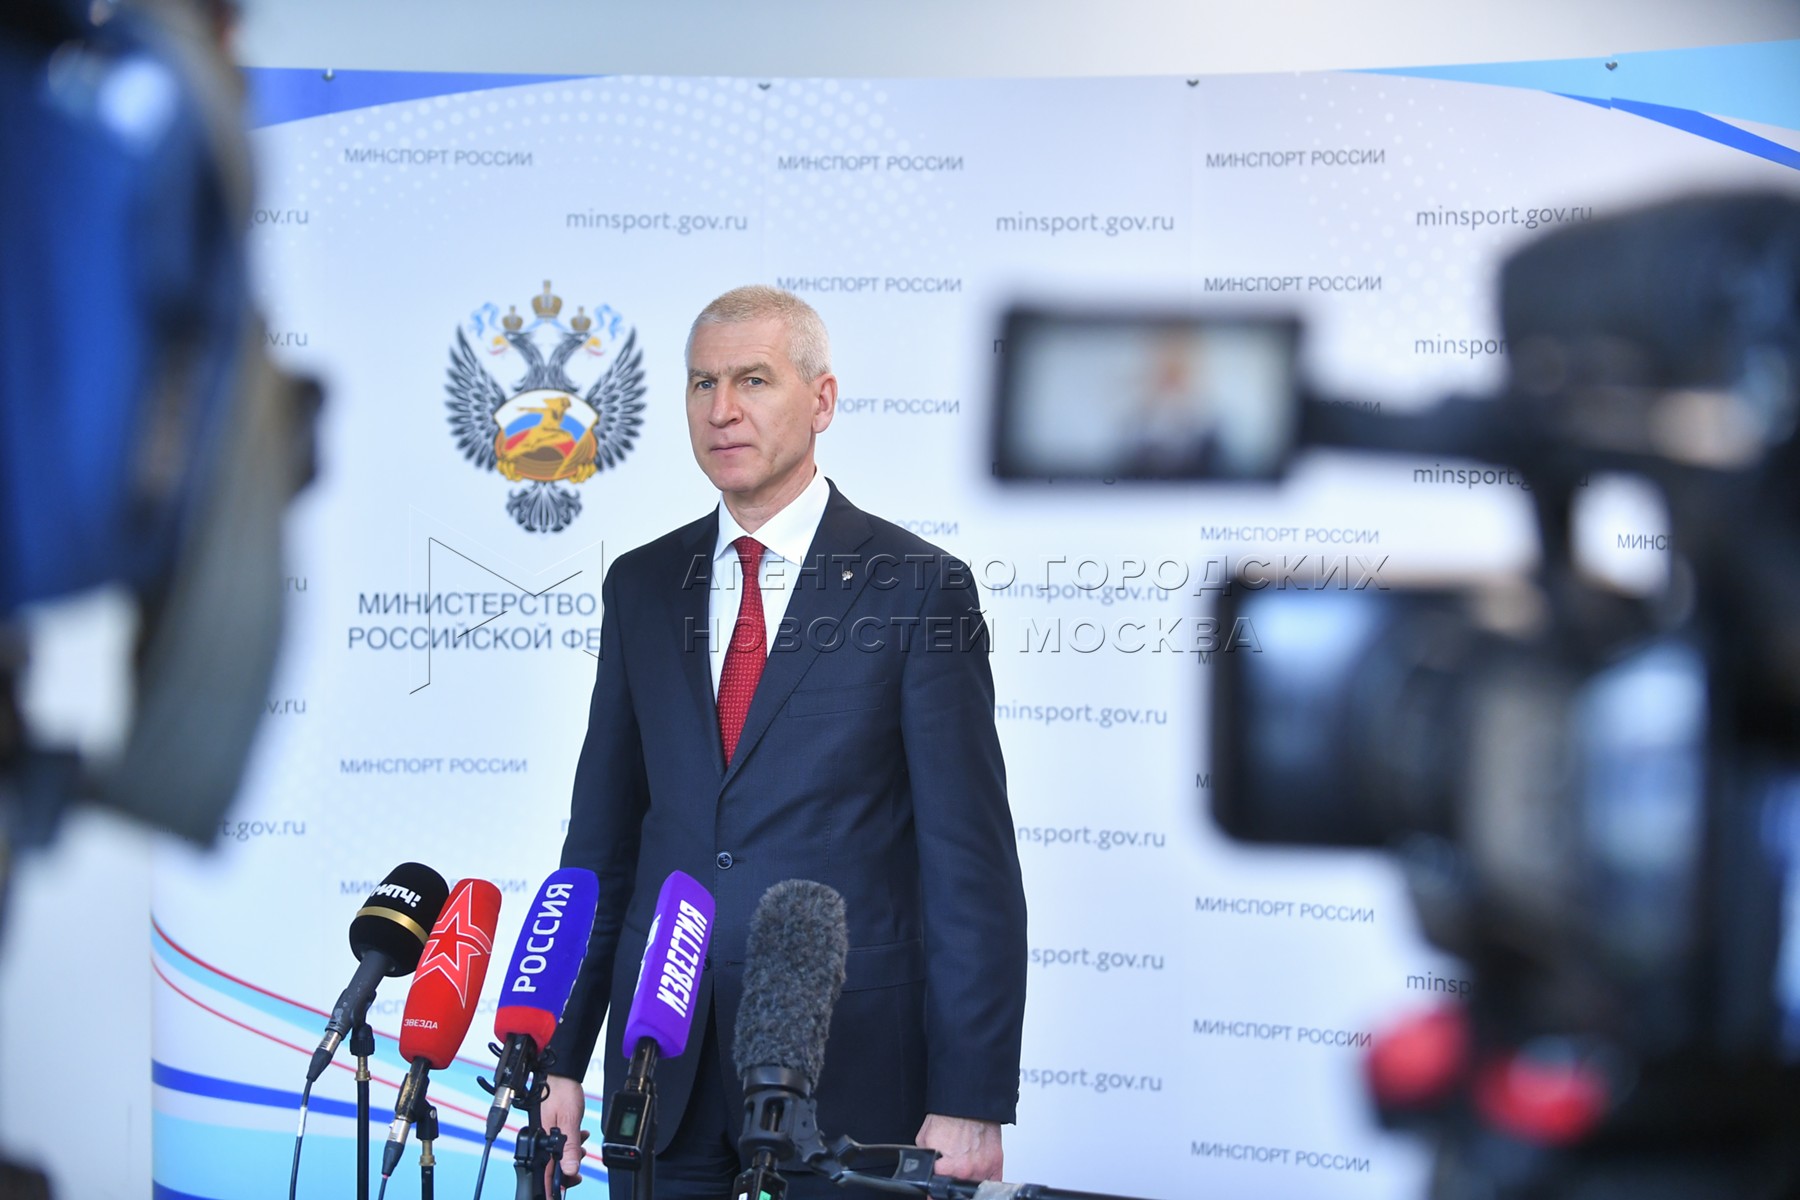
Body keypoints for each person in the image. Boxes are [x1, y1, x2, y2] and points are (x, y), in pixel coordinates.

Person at [542, 285, 1028, 1198]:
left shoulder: (919, 588)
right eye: (702, 383)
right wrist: (562, 1056)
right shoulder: (642, 586)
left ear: (822, 400)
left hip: (851, 1075)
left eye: (753, 380)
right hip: (659, 1069)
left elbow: (970, 865)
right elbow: (600, 846)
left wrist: (970, 1094)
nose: (722, 410)